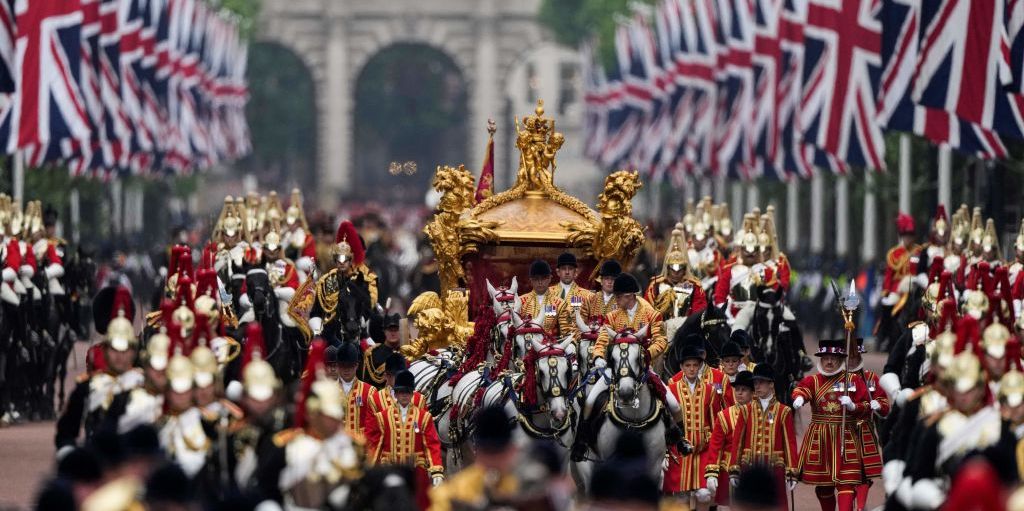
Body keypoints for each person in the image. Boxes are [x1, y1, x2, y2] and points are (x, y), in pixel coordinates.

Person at [257, 340, 364, 509]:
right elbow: (264, 486)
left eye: (337, 415)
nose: (335, 421)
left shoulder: (354, 445)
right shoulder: (284, 445)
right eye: (329, 415)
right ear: (312, 414)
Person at [55, 286, 143, 452]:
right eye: (114, 349)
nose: (119, 356)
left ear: (133, 351)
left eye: (125, 350)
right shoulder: (87, 387)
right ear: (106, 349)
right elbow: (67, 430)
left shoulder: (143, 384)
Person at [792, 338, 870, 511]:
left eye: (833, 358)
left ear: (841, 360)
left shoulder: (853, 380)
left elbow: (866, 405)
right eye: (825, 357)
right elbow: (802, 389)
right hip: (820, 438)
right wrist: (799, 398)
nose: (829, 361)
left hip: (845, 436)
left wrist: (853, 405)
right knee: (823, 485)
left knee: (847, 482)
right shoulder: (813, 380)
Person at [367, 369, 444, 510]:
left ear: (412, 394)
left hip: (416, 470)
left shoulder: (424, 417)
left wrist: (436, 470)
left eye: (407, 392)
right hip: (390, 469)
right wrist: (371, 469)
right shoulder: (382, 417)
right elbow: (375, 446)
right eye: (401, 392)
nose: (404, 395)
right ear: (395, 394)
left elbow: (431, 445)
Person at [728, 364, 798, 511]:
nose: (757, 386)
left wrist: (792, 471)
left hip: (775, 469)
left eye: (761, 382)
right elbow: (738, 441)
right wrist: (734, 469)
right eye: (755, 382)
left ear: (771, 384)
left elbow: (789, 443)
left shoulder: (784, 411)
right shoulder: (747, 410)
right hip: (750, 466)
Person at [663, 340, 723, 509]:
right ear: (681, 366)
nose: (691, 369)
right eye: (687, 365)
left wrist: (711, 446)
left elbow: (714, 423)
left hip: (703, 450)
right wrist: (666, 451)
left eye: (695, 365)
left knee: (704, 495)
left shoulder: (710, 390)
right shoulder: (671, 389)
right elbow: (667, 423)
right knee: (681, 496)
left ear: (700, 366)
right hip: (679, 452)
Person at [429, 406, 519, 511]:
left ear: (512, 450)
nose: (493, 461)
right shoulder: (449, 494)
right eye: (487, 451)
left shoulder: (451, 491)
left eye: (498, 451)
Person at [309, 220, 378, 344]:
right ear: (334, 260)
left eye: (345, 260)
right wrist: (317, 330)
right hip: (329, 330)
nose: (342, 263)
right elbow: (316, 311)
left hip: (355, 328)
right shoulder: (325, 281)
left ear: (350, 260)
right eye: (338, 259)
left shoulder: (360, 280)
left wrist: (361, 319)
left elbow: (367, 305)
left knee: (372, 350)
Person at [701, 369, 754, 507]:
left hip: (753, 467)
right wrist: (712, 472)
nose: (739, 393)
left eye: (744, 389)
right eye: (737, 389)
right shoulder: (724, 415)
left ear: (753, 393)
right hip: (728, 468)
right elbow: (715, 445)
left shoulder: (762, 414)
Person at [646, 227, 707, 320]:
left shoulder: (695, 286)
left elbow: (699, 312)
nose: (676, 273)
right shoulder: (655, 286)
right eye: (673, 269)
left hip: (686, 329)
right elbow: (648, 310)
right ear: (668, 268)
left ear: (684, 269)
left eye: (680, 269)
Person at [335, 343, 380, 442]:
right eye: (343, 366)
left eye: (350, 366)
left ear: (356, 366)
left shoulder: (370, 391)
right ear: (337, 366)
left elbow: (374, 425)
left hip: (361, 447)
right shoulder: (329, 390)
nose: (346, 370)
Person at [518, 259, 569, 336]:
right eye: (536, 279)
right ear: (530, 280)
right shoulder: (521, 301)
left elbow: (566, 330)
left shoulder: (560, 303)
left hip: (550, 344)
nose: (540, 282)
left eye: (543, 278)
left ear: (549, 279)